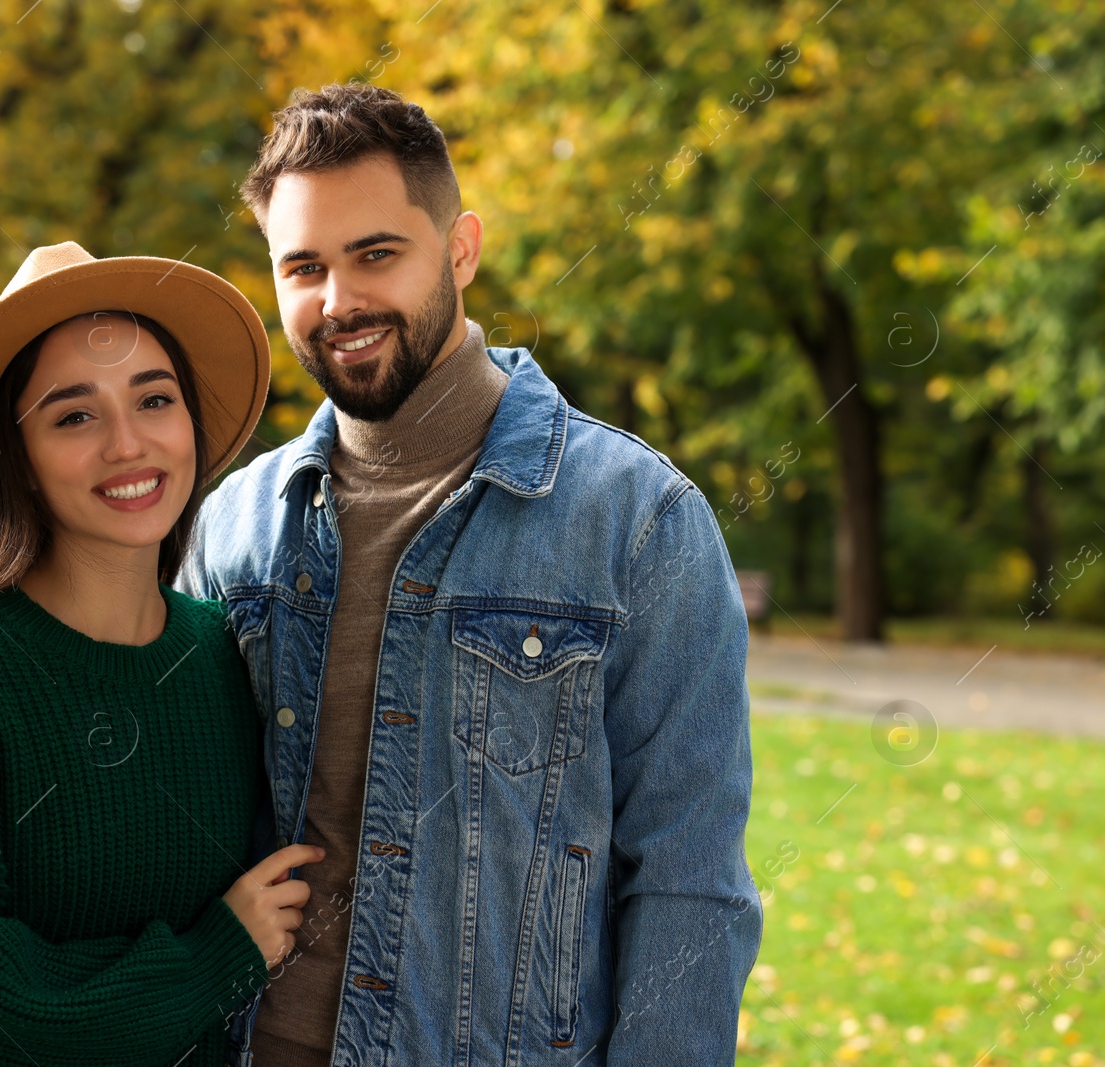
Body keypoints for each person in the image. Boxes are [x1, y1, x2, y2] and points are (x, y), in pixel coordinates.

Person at [173, 84, 762, 1066]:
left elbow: (688, 877)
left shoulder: (638, 522)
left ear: (459, 250)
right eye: (303, 267)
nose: (338, 301)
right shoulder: (232, 525)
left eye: (375, 254)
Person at [0, 241, 324, 1067]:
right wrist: (211, 959)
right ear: (20, 463)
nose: (128, 444)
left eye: (154, 398)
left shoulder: (221, 656)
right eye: (74, 415)